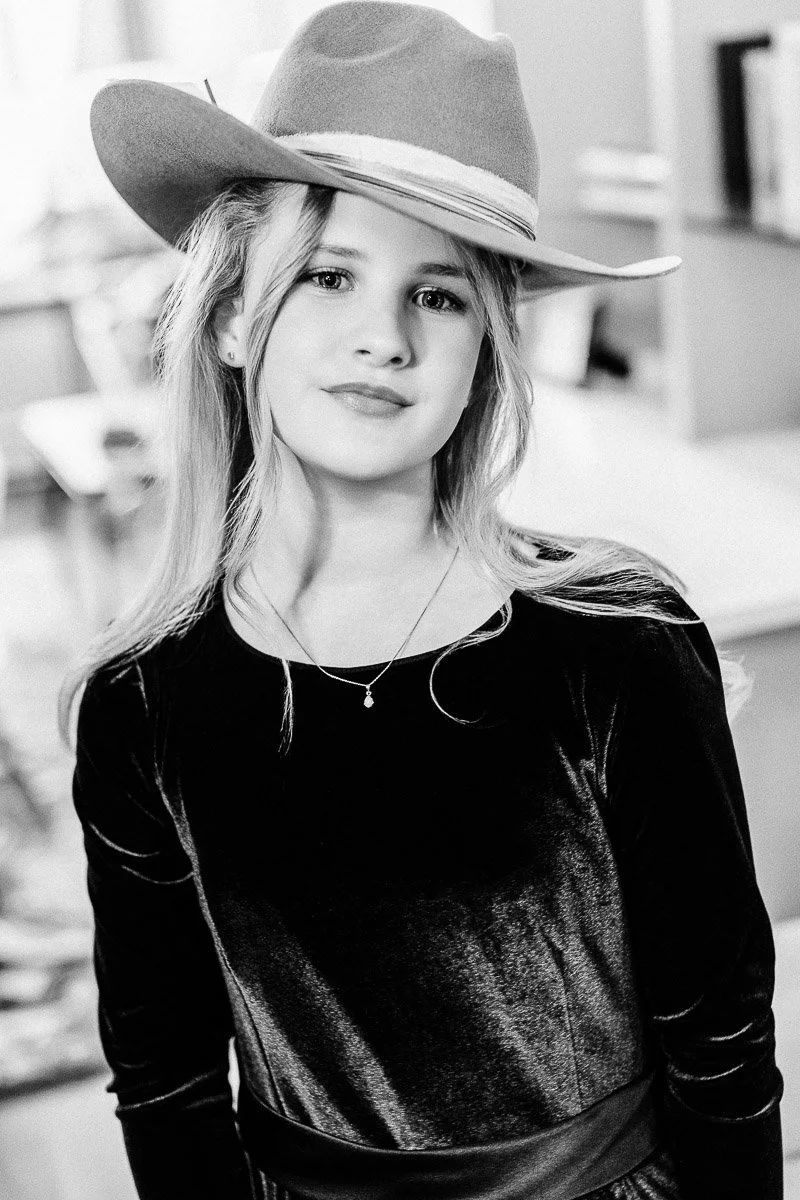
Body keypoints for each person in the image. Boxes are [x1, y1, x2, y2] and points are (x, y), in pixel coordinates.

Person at [64, 4, 784, 1198]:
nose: (382, 338)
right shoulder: (146, 702)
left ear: (486, 349)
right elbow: (167, 1085)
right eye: (329, 275)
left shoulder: (614, 643)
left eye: (438, 296)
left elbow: (723, 1055)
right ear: (237, 313)